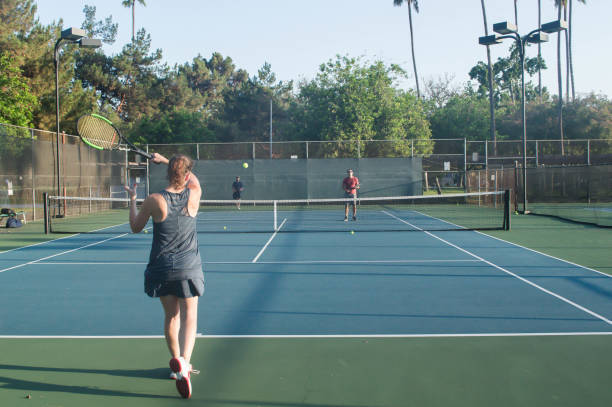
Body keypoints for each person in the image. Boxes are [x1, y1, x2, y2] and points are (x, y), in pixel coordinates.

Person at [124, 153, 203, 399]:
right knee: (190, 316)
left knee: (171, 316)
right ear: (187, 174)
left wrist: (133, 199)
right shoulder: (194, 194)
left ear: (168, 174)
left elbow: (135, 227)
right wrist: (168, 159)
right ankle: (185, 364)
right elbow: (195, 181)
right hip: (188, 267)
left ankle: (176, 362)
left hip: (161, 267)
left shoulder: (153, 199)